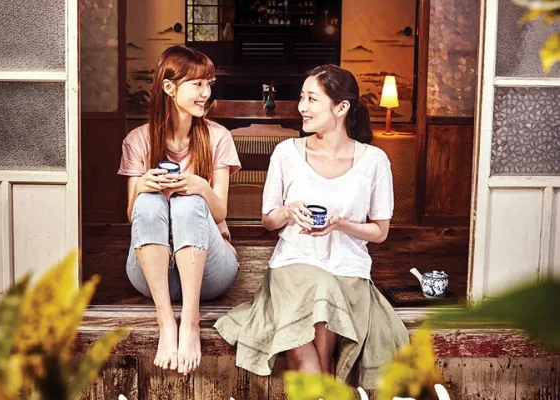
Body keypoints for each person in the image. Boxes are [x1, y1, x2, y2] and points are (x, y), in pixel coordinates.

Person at [214, 64, 408, 389]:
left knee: (324, 291)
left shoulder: (374, 161)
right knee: (318, 288)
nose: (302, 106)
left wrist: (341, 225)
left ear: (341, 108)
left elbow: (380, 231)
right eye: (302, 97)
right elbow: (268, 221)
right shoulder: (286, 153)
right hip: (293, 266)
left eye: (312, 99)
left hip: (347, 271)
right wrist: (288, 211)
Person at [118, 46, 241, 375]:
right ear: (169, 88)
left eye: (209, 84)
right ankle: (165, 320)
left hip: (209, 273)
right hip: (153, 275)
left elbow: (220, 212)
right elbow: (132, 216)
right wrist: (142, 186)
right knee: (147, 199)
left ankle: (189, 321)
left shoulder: (218, 137)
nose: (206, 93)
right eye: (197, 84)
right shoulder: (138, 140)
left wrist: (200, 186)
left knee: (189, 200)